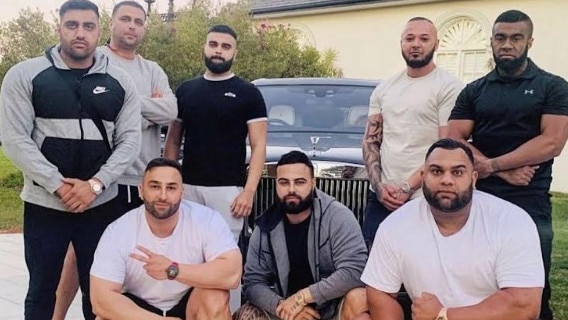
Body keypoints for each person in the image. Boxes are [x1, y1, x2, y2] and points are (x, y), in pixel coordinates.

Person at [0, 0, 141, 318]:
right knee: (40, 291)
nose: (80, 33)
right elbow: (15, 140)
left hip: (101, 205)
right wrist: (57, 185)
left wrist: (95, 185)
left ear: (98, 31)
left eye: (88, 26)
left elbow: (129, 142)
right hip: (45, 205)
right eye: (72, 25)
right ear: (59, 27)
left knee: (101, 293)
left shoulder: (121, 81)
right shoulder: (25, 75)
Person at [53, 2, 177, 318]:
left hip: (140, 184)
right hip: (100, 181)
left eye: (138, 21)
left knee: (132, 260)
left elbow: (170, 111)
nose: (132, 26)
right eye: (125, 19)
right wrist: (143, 110)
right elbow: (85, 108)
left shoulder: (153, 71)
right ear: (111, 23)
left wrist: (119, 106)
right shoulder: (96, 62)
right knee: (84, 258)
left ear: (145, 27)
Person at [448, 10, 568, 320]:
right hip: (479, 197)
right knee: (477, 279)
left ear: (530, 41)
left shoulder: (552, 87)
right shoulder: (474, 90)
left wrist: (491, 164)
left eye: (516, 38)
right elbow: (454, 139)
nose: (507, 44)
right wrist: (498, 170)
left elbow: (552, 142)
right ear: (491, 42)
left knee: (531, 287)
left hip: (530, 200)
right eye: (500, 38)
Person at [361, 138, 544, 320]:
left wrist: (444, 315)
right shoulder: (396, 225)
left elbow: (524, 306)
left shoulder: (511, 221)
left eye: (457, 172)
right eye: (436, 171)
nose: (446, 180)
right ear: (423, 177)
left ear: (473, 179)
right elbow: (380, 292)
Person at [163, 24, 267, 311]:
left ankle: (226, 314)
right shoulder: (185, 91)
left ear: (234, 51)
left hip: (228, 193)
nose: (218, 50)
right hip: (187, 189)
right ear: (204, 47)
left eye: (225, 46)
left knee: (224, 261)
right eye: (213, 44)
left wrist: (248, 192)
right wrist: (171, 185)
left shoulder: (248, 94)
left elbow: (259, 148)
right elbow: (173, 141)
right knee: (184, 254)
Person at [90, 158, 242, 320]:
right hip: (139, 308)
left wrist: (172, 270)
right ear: (141, 191)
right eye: (155, 186)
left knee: (215, 298)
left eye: (171, 188)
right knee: (104, 317)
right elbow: (100, 300)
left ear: (182, 193)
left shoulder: (206, 219)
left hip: (189, 304)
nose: (163, 196)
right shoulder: (118, 231)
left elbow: (231, 275)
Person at [362, 17, 463, 248]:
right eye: (409, 38)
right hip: (382, 198)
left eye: (424, 39)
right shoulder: (384, 88)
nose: (416, 44)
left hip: (425, 198)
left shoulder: (449, 87)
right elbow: (370, 141)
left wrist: (408, 186)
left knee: (421, 271)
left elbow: (446, 148)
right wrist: (379, 187)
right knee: (374, 269)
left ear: (436, 44)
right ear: (401, 43)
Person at [234, 151, 369, 320]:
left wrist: (301, 298)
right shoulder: (265, 226)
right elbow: (252, 283)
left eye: (299, 182)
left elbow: (355, 270)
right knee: (247, 315)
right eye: (284, 182)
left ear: (313, 183)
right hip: (284, 309)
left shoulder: (338, 217)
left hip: (332, 308)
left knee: (360, 299)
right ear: (276, 184)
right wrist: (283, 308)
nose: (291, 189)